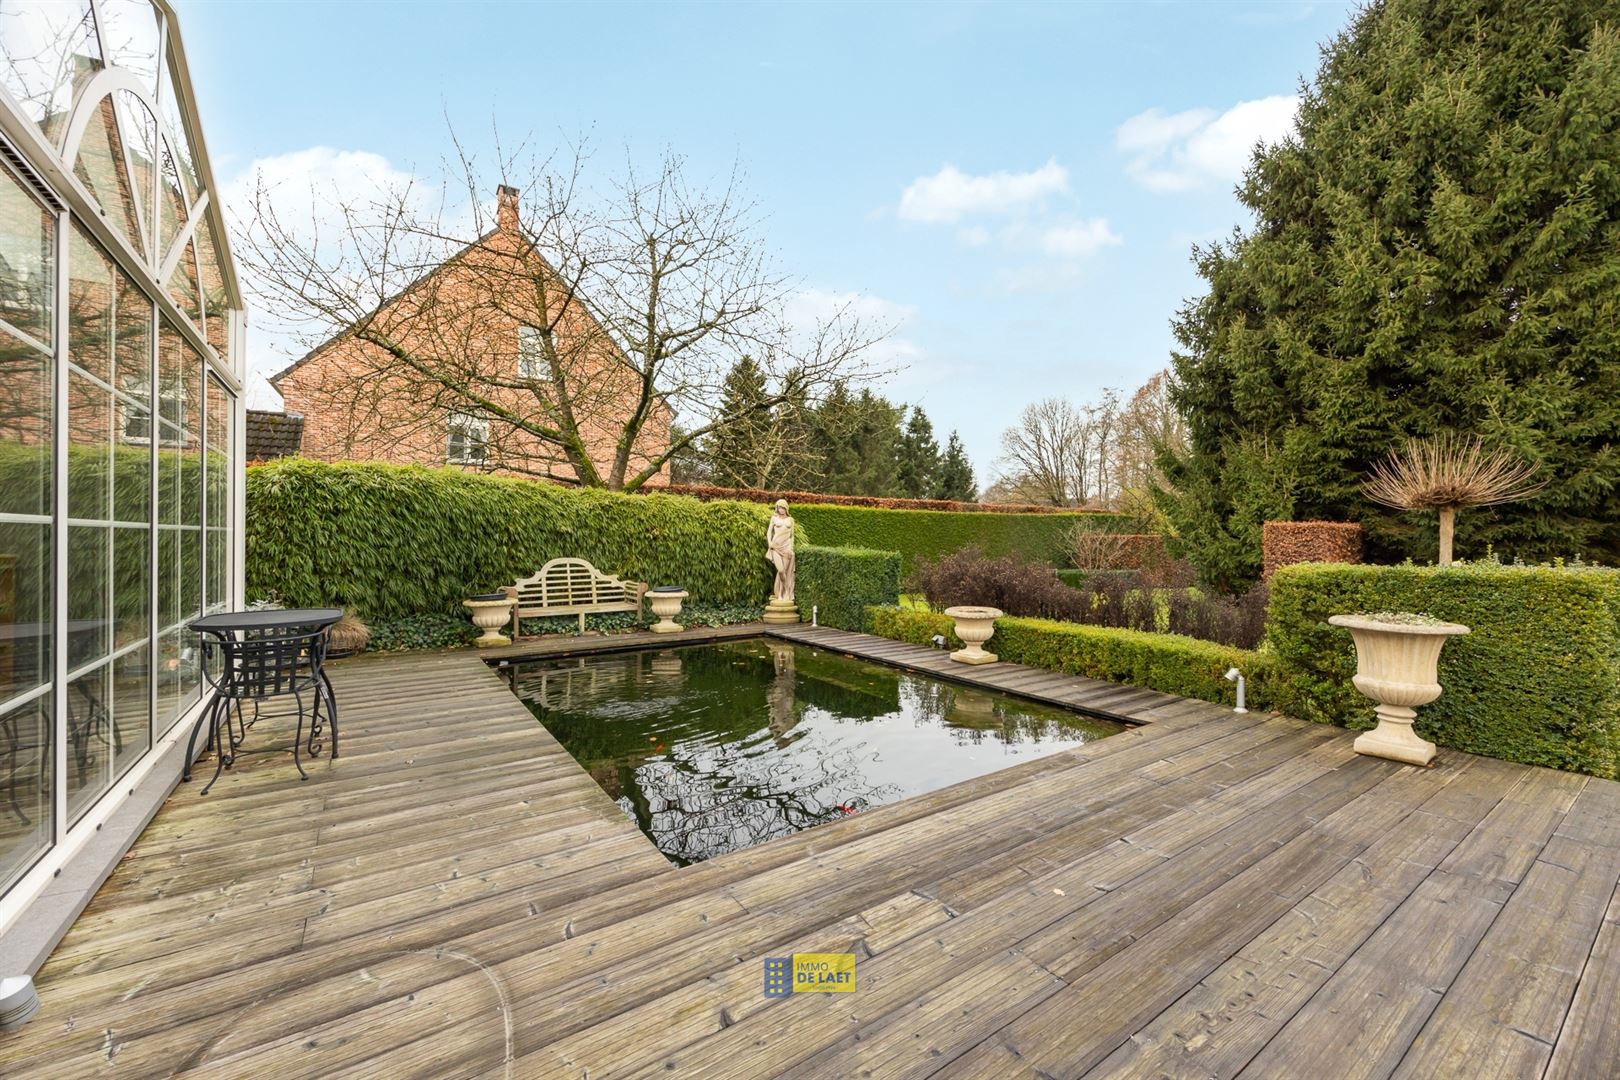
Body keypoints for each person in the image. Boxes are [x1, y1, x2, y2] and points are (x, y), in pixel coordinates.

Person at [766, 499, 795, 601]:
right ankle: (784, 591)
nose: (781, 509)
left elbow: (791, 536)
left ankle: (783, 593)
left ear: (786, 508)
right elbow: (769, 532)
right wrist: (769, 543)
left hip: (786, 548)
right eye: (779, 507)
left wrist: (791, 548)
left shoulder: (790, 520)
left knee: (785, 572)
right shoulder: (774, 518)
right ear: (777, 508)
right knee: (781, 570)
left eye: (783, 507)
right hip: (775, 547)